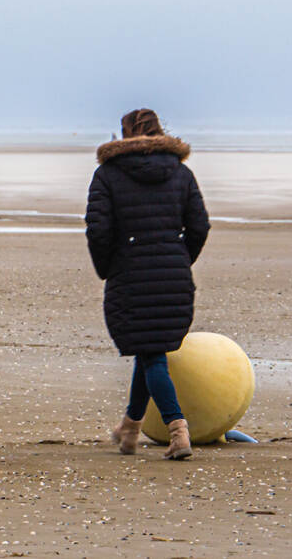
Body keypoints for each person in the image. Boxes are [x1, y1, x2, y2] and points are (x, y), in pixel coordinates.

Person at [85, 108, 210, 460]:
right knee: (150, 349)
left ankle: (177, 429)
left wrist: (108, 268)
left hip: (130, 271)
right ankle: (130, 428)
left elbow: (98, 230)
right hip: (173, 273)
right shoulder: (181, 173)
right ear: (160, 132)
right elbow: (199, 226)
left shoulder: (107, 174)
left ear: (123, 135)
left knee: (152, 354)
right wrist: (180, 258)